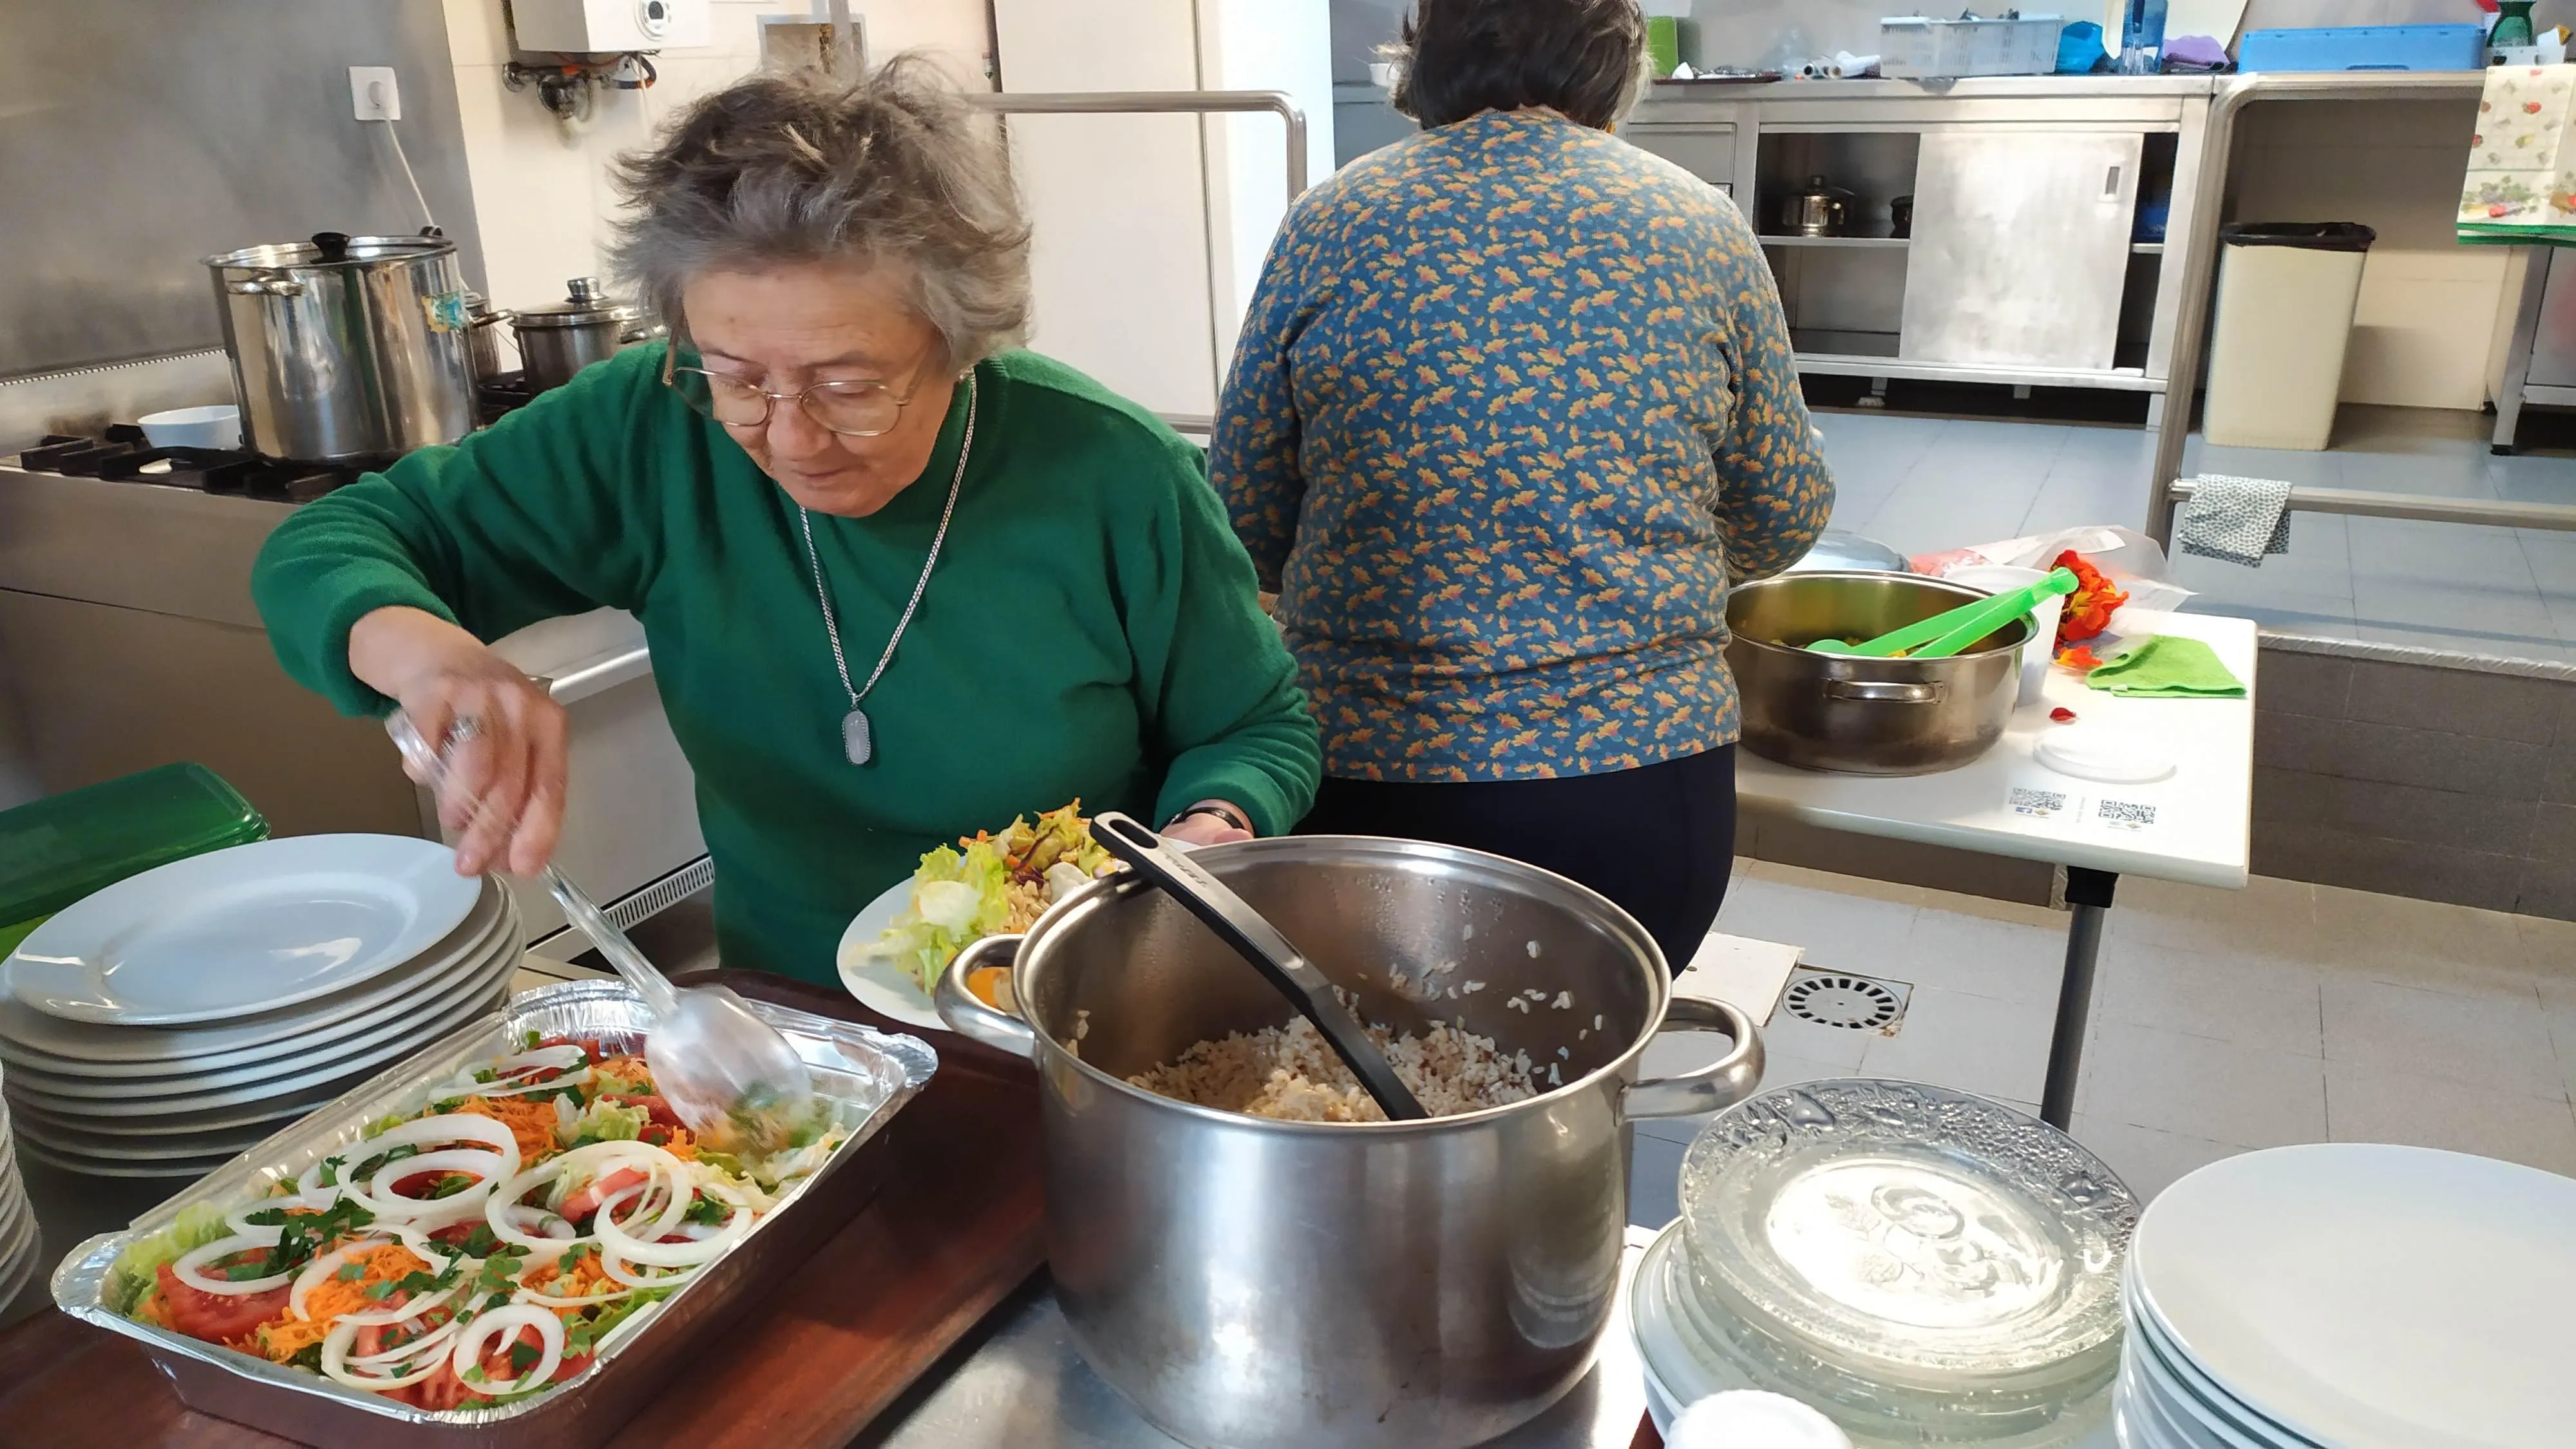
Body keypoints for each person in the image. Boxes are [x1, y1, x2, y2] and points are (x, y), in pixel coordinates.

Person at [254, 61, 1320, 986]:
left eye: (849, 385)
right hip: (787, 1022)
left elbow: (1257, 724)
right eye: (738, 375)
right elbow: (334, 543)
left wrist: (1197, 843)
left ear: (958, 343)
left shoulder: (1107, 470)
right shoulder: (652, 420)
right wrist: (439, 661)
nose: (791, 434)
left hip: (1060, 1002)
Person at [1210, 0, 1832, 972]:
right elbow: (1787, 508)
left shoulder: (1330, 221)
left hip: (1369, 796)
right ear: (1616, 60)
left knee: (1371, 1074)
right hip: (1640, 799)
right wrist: (1646, 554)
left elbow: (1240, 519)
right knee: (1586, 1069)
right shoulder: (1700, 226)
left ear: (1423, 57)